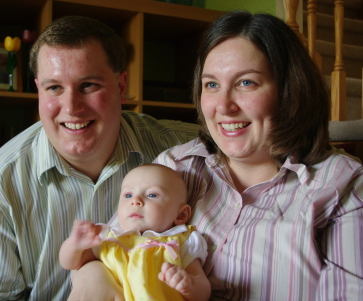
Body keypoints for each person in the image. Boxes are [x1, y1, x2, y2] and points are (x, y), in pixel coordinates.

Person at [79, 11, 363, 300]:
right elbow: (111, 246)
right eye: (212, 85)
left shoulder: (343, 184)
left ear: (289, 90)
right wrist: (92, 275)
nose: (224, 106)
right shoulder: (176, 166)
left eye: (246, 83)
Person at [0, 16, 199, 300]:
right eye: (54, 88)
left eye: (88, 85)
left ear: (121, 84)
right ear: (39, 89)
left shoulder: (184, 148)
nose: (71, 107)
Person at [60, 164, 210, 301]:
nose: (135, 201)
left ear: (181, 214)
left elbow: (203, 289)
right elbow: (72, 264)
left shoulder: (181, 241)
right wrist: (75, 245)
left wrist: (188, 284)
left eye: (152, 195)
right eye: (128, 195)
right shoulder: (108, 236)